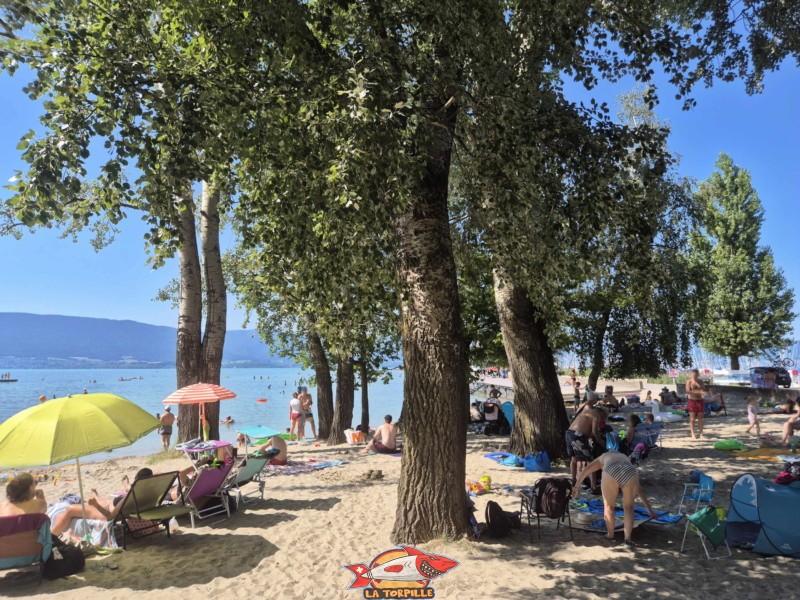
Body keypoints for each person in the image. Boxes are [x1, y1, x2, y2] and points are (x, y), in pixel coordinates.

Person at [572, 451, 656, 547]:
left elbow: (586, 471)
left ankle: (610, 534)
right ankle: (628, 540)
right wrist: (649, 509)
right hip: (630, 471)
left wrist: (576, 486)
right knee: (629, 507)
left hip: (611, 469)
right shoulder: (624, 457)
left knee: (609, 506)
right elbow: (639, 489)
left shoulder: (602, 457)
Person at [566, 396, 603, 492]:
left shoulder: (585, 410)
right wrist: (600, 441)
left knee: (574, 458)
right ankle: (593, 487)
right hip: (578, 435)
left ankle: (573, 480)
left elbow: (587, 403)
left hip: (569, 432)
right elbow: (595, 431)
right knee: (590, 460)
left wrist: (594, 400)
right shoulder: (596, 415)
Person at [685, 369, 706, 439]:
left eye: (696, 375)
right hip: (692, 400)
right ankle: (693, 433)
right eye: (693, 375)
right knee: (692, 418)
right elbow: (688, 391)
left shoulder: (700, 382)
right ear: (691, 374)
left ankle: (701, 433)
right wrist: (699, 392)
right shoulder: (689, 381)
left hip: (700, 400)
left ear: (698, 374)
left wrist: (704, 392)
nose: (695, 376)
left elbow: (703, 390)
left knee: (701, 418)